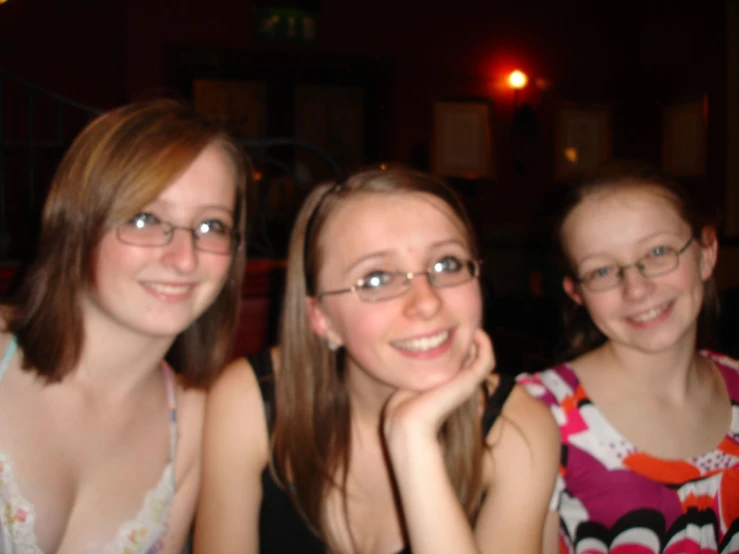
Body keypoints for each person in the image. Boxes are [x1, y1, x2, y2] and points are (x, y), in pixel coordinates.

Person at [194, 165, 560, 553]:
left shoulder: (519, 430)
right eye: (377, 278)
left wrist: (413, 439)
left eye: (447, 264)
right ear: (322, 319)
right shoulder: (250, 401)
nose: (427, 302)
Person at [0, 98, 247, 553]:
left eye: (212, 226)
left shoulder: (190, 421)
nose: (185, 258)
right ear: (77, 223)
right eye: (145, 218)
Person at [517, 161, 739, 553]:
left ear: (706, 253)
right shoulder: (536, 418)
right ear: (577, 293)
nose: (636, 289)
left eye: (657, 252)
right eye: (602, 271)